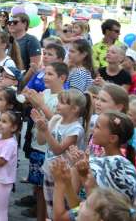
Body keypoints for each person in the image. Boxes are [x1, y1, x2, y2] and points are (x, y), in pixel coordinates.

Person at [32, 89, 90, 219]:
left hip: (65, 175)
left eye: (62, 103)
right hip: (50, 170)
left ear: (74, 109)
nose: (57, 105)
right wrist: (40, 126)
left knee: (61, 209)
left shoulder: (76, 129)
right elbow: (41, 141)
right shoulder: (56, 119)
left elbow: (58, 149)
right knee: (50, 208)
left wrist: (46, 130)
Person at [23, 62, 69, 221]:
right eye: (45, 74)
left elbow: (58, 121)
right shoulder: (45, 92)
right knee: (38, 188)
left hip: (49, 150)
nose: (46, 77)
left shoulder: (64, 98)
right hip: (38, 144)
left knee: (47, 191)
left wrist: (41, 105)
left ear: (62, 78)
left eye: (50, 74)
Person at [8, 13, 42, 84]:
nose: (11, 24)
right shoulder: (8, 39)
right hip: (7, 80)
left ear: (24, 24)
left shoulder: (31, 40)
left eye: (15, 22)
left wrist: (22, 83)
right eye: (9, 22)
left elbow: (34, 66)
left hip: (21, 83)